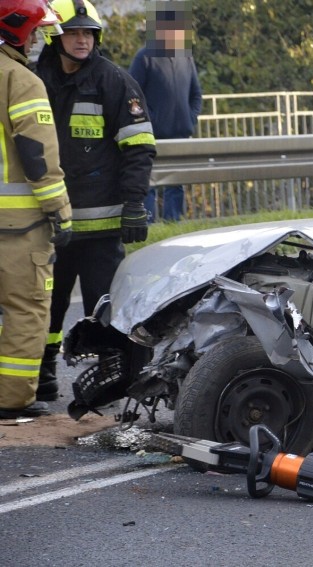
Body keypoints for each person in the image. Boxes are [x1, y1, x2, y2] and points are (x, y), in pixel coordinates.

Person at [34, 0, 155, 401]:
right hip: (52, 223)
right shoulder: (36, 80)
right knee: (47, 306)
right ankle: (45, 371)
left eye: (88, 32)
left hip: (102, 227)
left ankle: (108, 379)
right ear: (56, 36)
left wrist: (135, 205)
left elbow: (139, 148)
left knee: (104, 309)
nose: (83, 39)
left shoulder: (114, 82)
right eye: (74, 32)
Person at [0, 0, 72, 418]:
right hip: (18, 225)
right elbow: (37, 154)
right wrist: (59, 211)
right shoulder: (20, 80)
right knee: (25, 309)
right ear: (15, 31)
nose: (37, 42)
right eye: (35, 33)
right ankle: (11, 400)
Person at [130, 0, 201, 222]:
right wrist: (146, 122)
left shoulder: (185, 56)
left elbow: (196, 94)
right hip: (152, 136)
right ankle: (148, 224)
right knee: (149, 184)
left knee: (176, 184)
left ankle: (174, 223)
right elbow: (133, 95)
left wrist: (190, 118)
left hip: (181, 134)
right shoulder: (144, 57)